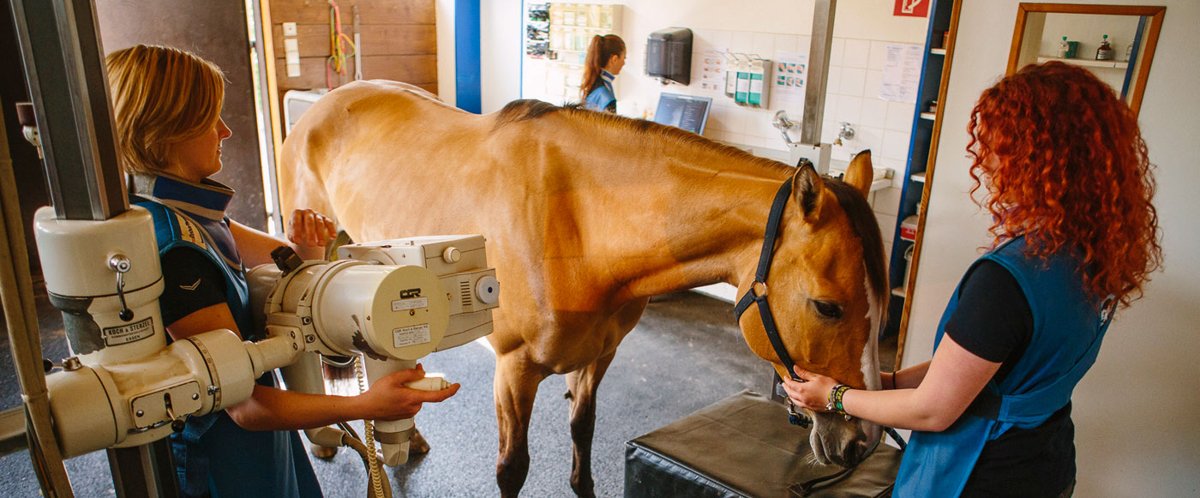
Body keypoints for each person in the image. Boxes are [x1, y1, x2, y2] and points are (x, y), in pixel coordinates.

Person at [782, 61, 1161, 497]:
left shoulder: (1008, 280)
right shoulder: (1091, 257)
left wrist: (832, 398)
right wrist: (881, 384)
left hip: (978, 476)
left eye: (999, 145)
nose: (989, 163)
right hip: (1049, 466)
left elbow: (934, 410)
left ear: (1036, 157)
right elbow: (982, 363)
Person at [106, 44, 461, 497]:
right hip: (226, 454)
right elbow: (246, 406)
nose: (225, 130)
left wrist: (305, 248)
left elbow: (288, 265)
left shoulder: (192, 216)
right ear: (166, 132)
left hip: (262, 437)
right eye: (209, 119)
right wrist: (364, 404)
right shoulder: (175, 250)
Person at [579, 34, 625, 113]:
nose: (624, 63)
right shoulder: (605, 95)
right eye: (624, 58)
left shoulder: (594, 82)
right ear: (614, 59)